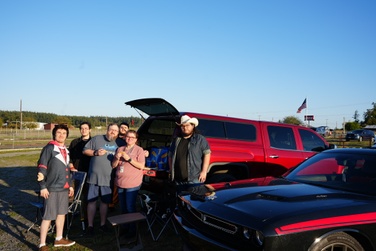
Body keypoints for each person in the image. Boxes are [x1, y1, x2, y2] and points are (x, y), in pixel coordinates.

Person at [37, 124, 75, 251]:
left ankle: (59, 238)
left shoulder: (65, 149)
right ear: (54, 134)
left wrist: (70, 185)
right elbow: (42, 167)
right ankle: (42, 244)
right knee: (48, 216)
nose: (61, 135)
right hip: (52, 188)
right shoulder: (49, 148)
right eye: (59, 132)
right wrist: (42, 186)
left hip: (64, 188)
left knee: (62, 214)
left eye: (64, 133)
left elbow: (68, 169)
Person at [82, 123, 125, 236]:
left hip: (108, 178)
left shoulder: (120, 143)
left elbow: (131, 149)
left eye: (115, 131)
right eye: (111, 130)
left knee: (105, 202)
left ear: (118, 132)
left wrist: (146, 152)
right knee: (91, 201)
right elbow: (85, 150)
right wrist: (95, 152)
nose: (113, 132)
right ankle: (90, 226)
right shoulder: (97, 139)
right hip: (94, 177)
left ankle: (102, 224)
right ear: (107, 130)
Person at [112, 129, 146, 237]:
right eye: (128, 136)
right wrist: (117, 159)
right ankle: (125, 227)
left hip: (133, 183)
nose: (129, 139)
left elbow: (141, 166)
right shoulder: (120, 149)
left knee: (130, 206)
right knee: (123, 207)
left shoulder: (139, 150)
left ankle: (132, 230)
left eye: (132, 137)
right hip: (120, 182)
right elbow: (113, 165)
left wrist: (129, 159)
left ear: (136, 139)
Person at [168, 115, 211, 193]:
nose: (185, 128)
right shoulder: (176, 140)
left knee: (195, 201)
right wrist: (171, 170)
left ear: (193, 125)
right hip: (178, 180)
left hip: (194, 179)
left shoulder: (200, 139)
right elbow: (170, 155)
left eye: (187, 125)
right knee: (181, 202)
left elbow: (207, 154)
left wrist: (204, 171)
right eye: (182, 126)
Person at [67, 121, 92, 228]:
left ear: (90, 130)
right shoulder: (74, 142)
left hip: (88, 174)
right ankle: (67, 219)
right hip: (75, 174)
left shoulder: (93, 142)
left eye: (86, 128)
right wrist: (71, 167)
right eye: (82, 128)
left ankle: (85, 220)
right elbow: (69, 157)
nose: (84, 130)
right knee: (71, 196)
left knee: (85, 198)